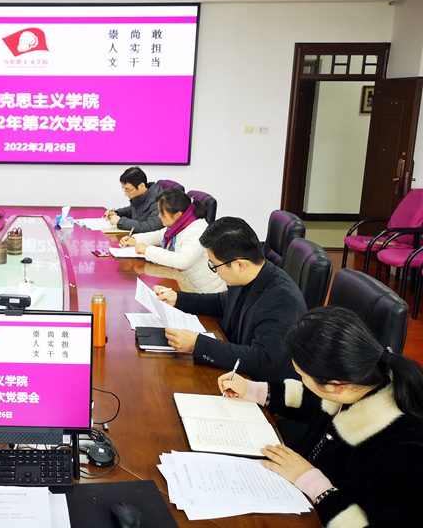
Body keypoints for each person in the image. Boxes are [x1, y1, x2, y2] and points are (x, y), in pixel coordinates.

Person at [219, 307, 423, 527]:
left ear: (336, 386)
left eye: (302, 375)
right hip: (296, 490)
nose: (301, 380)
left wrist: (316, 485)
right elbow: (314, 400)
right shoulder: (363, 378)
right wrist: (253, 390)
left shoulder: (405, 452)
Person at [156, 216, 306, 381]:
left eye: (215, 265)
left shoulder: (282, 300)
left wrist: (197, 344)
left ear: (239, 265)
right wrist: (177, 298)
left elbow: (262, 360)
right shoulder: (248, 276)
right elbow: (223, 303)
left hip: (260, 386)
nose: (215, 271)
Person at [120, 189, 226, 294]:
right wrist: (135, 240)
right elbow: (160, 235)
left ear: (177, 215)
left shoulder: (196, 232)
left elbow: (182, 261)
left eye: (162, 213)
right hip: (185, 282)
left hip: (204, 292)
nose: (159, 216)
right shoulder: (180, 224)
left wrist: (147, 250)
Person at [103, 166, 164, 233]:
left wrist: (120, 221)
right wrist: (116, 213)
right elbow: (131, 210)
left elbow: (150, 226)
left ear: (141, 186)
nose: (126, 194)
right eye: (124, 190)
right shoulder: (142, 196)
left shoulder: (159, 201)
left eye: (128, 190)